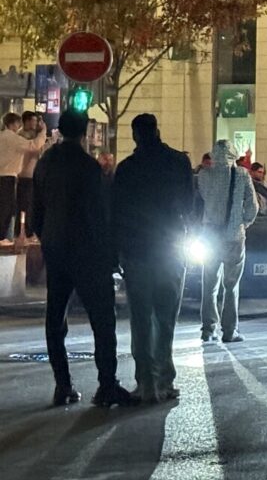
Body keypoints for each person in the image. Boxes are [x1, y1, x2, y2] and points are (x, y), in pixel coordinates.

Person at [31, 109, 131, 407]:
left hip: (56, 248)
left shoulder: (45, 163)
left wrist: (47, 238)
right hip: (87, 251)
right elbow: (101, 215)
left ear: (60, 130)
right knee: (102, 319)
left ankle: (63, 385)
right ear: (84, 132)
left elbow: (37, 210)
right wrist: (111, 255)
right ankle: (106, 385)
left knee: (55, 318)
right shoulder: (89, 168)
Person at [112, 114, 195, 403]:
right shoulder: (178, 162)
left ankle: (145, 383)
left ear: (135, 136)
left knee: (141, 319)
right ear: (157, 131)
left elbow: (116, 214)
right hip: (170, 249)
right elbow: (190, 204)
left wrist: (117, 254)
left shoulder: (126, 169)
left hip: (137, 252)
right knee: (166, 317)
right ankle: (165, 380)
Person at [197, 140, 259, 343]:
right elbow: (253, 205)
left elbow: (203, 200)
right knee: (231, 285)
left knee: (209, 283)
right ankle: (230, 330)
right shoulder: (242, 175)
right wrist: (243, 223)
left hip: (210, 236)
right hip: (233, 237)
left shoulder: (204, 175)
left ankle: (208, 328)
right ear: (233, 154)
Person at [0, 112, 46, 239]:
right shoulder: (13, 138)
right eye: (17, 123)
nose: (18, 125)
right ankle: (2, 237)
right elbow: (33, 145)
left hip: (5, 175)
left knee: (6, 208)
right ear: (12, 124)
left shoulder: (2, 136)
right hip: (8, 176)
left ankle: (4, 236)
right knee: (6, 209)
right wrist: (43, 133)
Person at [15, 111, 44, 238]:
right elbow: (35, 148)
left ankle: (28, 230)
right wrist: (43, 131)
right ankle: (23, 231)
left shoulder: (33, 135)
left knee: (31, 204)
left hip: (33, 175)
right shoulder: (21, 136)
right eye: (34, 120)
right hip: (25, 175)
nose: (36, 123)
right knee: (24, 204)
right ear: (26, 121)